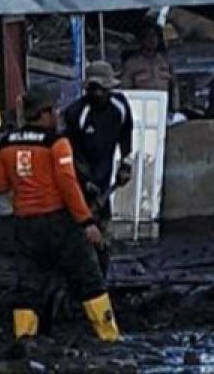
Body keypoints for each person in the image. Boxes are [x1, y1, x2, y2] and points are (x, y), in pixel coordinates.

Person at [0, 87, 120, 342]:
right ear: (44, 113)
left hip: (25, 224)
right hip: (59, 221)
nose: (58, 114)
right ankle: (109, 337)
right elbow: (68, 185)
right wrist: (87, 222)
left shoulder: (6, 143)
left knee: (28, 283)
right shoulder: (56, 143)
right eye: (54, 109)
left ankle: (24, 340)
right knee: (88, 278)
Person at [63, 61, 134, 277]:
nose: (99, 94)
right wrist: (86, 181)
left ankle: (102, 278)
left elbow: (126, 136)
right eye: (95, 89)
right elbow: (70, 152)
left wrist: (125, 164)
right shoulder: (77, 113)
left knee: (103, 235)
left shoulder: (119, 107)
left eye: (103, 89)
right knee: (79, 234)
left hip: (104, 178)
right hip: (80, 180)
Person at [120, 21, 174, 108]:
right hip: (142, 107)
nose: (152, 40)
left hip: (164, 105)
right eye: (148, 36)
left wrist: (175, 108)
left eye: (155, 36)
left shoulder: (166, 61)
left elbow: (174, 87)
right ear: (142, 39)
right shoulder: (132, 63)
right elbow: (125, 90)